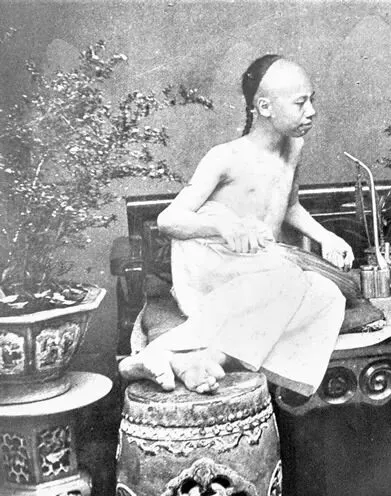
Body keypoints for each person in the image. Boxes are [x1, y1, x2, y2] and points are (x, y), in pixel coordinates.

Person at [119, 54, 354, 396]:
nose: (312, 111)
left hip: (262, 268)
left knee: (328, 294)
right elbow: (168, 219)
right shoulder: (225, 156)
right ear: (264, 107)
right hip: (214, 272)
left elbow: (289, 205)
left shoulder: (294, 147)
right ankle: (159, 350)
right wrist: (224, 228)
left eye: (311, 100)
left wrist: (326, 236)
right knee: (290, 281)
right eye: (300, 102)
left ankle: (195, 358)